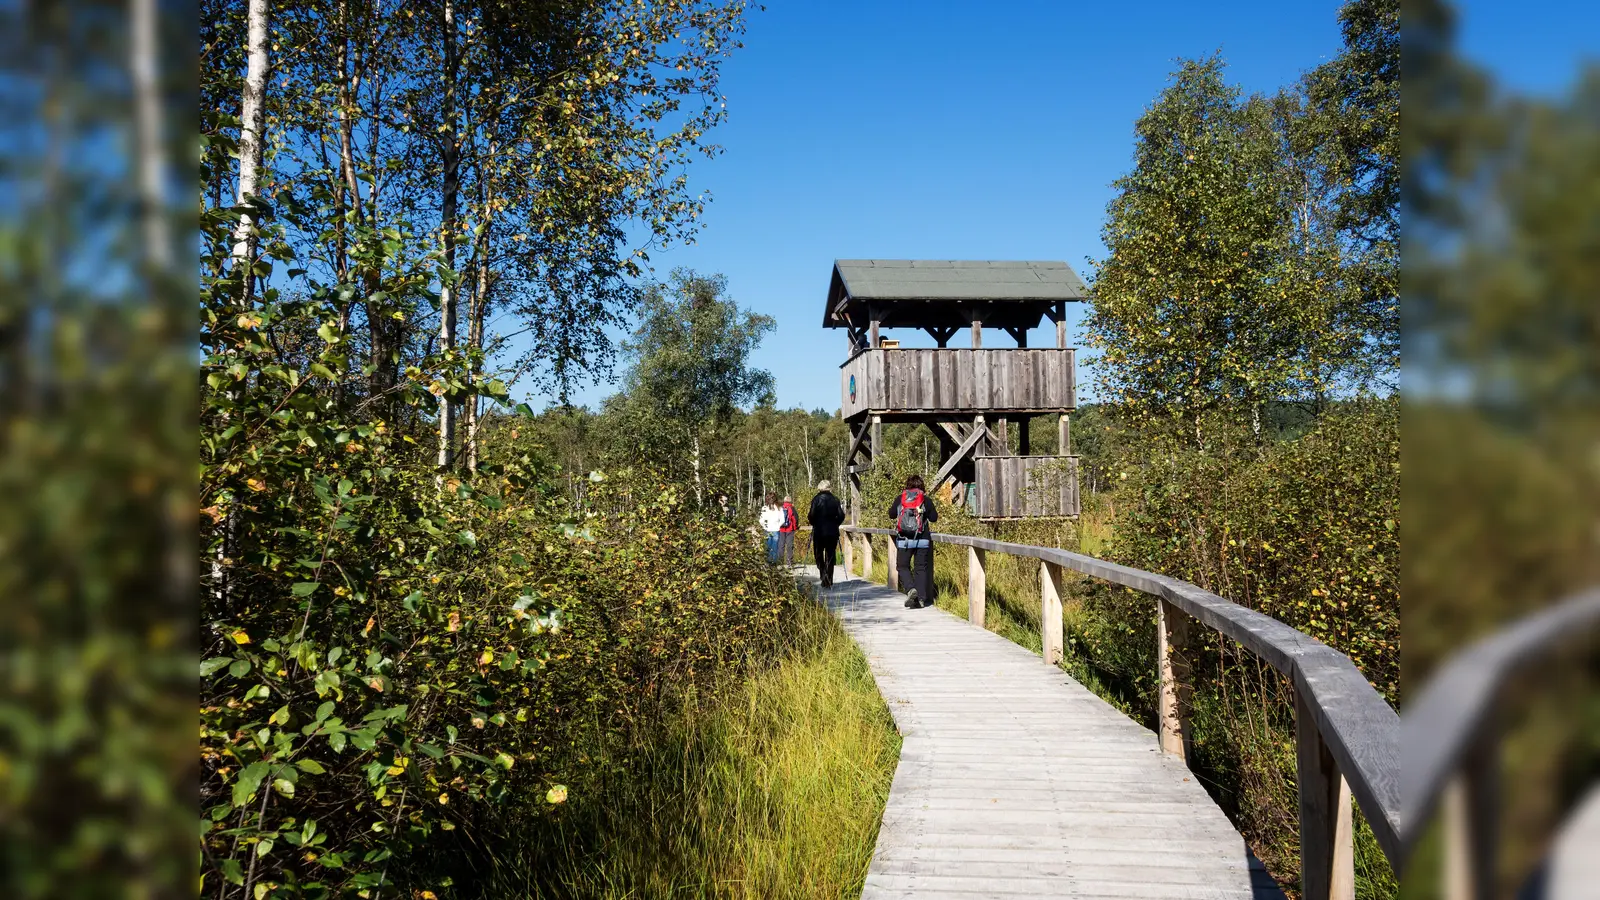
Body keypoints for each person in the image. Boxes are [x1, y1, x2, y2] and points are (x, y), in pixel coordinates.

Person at [888, 474, 938, 608]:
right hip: (922, 539)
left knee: (902, 566)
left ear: (907, 486)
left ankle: (911, 589)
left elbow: (891, 514)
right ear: (922, 486)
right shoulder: (925, 500)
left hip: (904, 539)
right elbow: (934, 518)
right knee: (920, 568)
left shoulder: (901, 498)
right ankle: (921, 599)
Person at [807, 480, 846, 587]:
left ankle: (823, 575)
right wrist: (835, 524)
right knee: (830, 555)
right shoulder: (835, 499)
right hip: (832, 532)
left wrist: (813, 523)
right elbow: (841, 515)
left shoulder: (816, 499)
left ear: (820, 488)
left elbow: (811, 515)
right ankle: (829, 578)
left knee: (818, 554)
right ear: (829, 487)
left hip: (819, 531)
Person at [758, 492, 785, 564]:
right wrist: (777, 526)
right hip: (774, 530)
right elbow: (782, 520)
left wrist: (765, 526)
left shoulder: (765, 508)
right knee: (774, 547)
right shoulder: (779, 508)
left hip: (769, 530)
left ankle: (769, 563)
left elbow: (761, 520)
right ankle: (773, 563)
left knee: (768, 547)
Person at [778, 495, 799, 566]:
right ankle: (789, 562)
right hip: (790, 529)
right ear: (790, 501)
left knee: (781, 545)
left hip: (781, 529)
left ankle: (780, 562)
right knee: (789, 545)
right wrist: (795, 527)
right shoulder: (792, 508)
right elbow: (795, 519)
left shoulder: (780, 508)